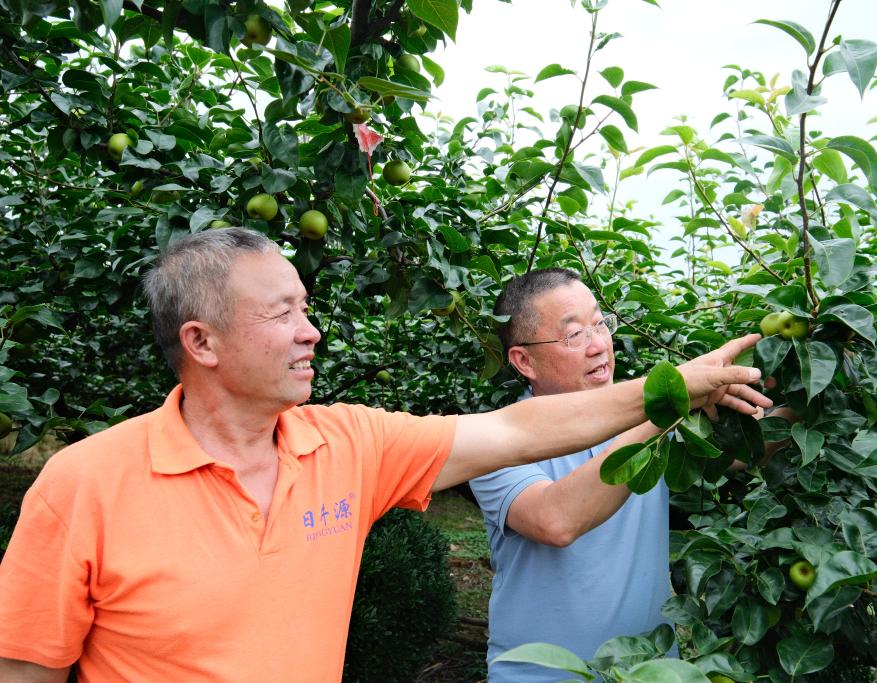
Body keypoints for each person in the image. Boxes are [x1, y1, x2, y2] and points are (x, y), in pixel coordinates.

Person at [0, 229, 769, 683]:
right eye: (283, 313)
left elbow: (513, 431)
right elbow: (27, 668)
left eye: (307, 308)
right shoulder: (86, 482)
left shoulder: (349, 446)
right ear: (201, 341)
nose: (311, 332)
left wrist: (678, 388)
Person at [470, 268, 778, 682]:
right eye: (573, 335)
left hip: (651, 672)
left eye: (600, 324)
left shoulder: (640, 419)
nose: (599, 345)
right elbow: (555, 520)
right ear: (524, 361)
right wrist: (667, 403)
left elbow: (743, 452)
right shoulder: (494, 439)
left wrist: (809, 400)